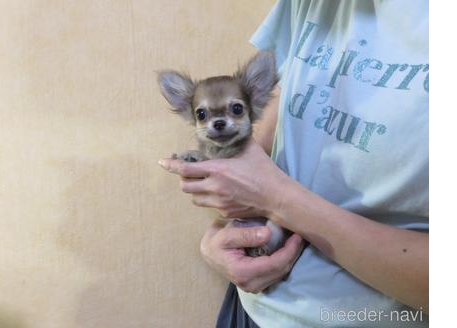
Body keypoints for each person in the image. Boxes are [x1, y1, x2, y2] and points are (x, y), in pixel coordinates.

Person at [158, 0, 429, 326]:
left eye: (233, 110)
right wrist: (224, 238)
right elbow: (262, 150)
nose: (218, 120)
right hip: (251, 310)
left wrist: (276, 199)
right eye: (204, 114)